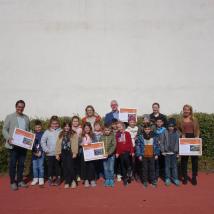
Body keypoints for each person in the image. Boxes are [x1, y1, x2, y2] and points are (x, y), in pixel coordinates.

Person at [2, 100, 30, 190]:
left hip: (23, 145)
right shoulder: (9, 117)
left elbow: (28, 131)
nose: (20, 108)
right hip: (12, 145)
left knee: (22, 164)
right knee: (13, 164)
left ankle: (20, 181)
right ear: (16, 107)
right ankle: (13, 182)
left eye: (22, 107)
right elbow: (4, 129)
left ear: (24, 108)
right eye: (19, 106)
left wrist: (30, 137)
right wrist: (8, 138)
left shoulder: (26, 118)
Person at [178, 104, 200, 185]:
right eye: (185, 109)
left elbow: (197, 129)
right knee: (184, 160)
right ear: (183, 110)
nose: (186, 111)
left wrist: (197, 136)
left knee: (194, 160)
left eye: (188, 109)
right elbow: (178, 129)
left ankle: (194, 177)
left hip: (193, 139)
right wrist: (181, 135)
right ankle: (185, 177)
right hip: (184, 139)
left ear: (190, 110)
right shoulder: (180, 120)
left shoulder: (195, 119)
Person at [135, 124, 160, 188]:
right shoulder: (140, 136)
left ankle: (152, 180)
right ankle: (145, 180)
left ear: (150, 129)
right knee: (144, 169)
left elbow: (157, 145)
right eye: (146, 129)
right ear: (144, 130)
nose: (147, 130)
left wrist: (156, 154)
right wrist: (139, 155)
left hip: (152, 155)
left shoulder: (154, 136)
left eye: (148, 129)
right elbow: (138, 146)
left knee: (152, 168)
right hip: (144, 155)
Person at [55, 122, 79, 189]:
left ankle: (73, 181)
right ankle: (67, 182)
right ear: (63, 127)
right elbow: (58, 144)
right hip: (63, 152)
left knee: (70, 167)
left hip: (70, 152)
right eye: (65, 126)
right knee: (65, 167)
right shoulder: (61, 133)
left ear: (70, 127)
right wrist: (57, 154)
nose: (67, 127)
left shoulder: (73, 133)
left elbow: (75, 143)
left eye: (68, 126)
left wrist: (74, 152)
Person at [41, 116, 62, 186]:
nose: (55, 125)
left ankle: (58, 178)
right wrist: (46, 149)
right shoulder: (47, 131)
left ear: (58, 124)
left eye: (56, 123)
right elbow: (42, 141)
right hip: (49, 153)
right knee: (50, 167)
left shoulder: (61, 131)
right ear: (50, 124)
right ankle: (50, 178)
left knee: (57, 166)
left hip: (58, 153)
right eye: (53, 123)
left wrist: (61, 151)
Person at [159, 118, 180, 186]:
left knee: (174, 166)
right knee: (167, 166)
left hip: (174, 153)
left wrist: (178, 152)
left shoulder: (177, 133)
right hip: (166, 153)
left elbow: (179, 143)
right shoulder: (164, 132)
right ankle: (167, 178)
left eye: (172, 126)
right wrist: (162, 151)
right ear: (167, 126)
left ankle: (175, 178)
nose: (171, 128)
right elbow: (161, 142)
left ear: (174, 126)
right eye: (169, 126)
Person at [115, 121, 134, 186]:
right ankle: (125, 179)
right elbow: (117, 144)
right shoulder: (117, 134)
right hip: (120, 152)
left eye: (120, 127)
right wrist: (117, 152)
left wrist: (132, 151)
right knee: (122, 165)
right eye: (118, 127)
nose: (119, 128)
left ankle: (129, 169)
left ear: (123, 126)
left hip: (127, 151)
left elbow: (130, 143)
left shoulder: (127, 133)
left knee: (127, 161)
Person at [80, 122, 97, 187]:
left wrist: (92, 143)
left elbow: (96, 143)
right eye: (85, 128)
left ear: (90, 128)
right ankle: (86, 180)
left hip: (91, 154)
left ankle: (92, 179)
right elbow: (78, 143)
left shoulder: (93, 135)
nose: (87, 129)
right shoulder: (81, 135)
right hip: (83, 153)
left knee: (91, 166)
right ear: (84, 129)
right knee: (84, 166)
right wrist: (81, 144)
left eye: (88, 128)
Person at [31, 120, 45, 186]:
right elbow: (30, 144)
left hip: (41, 153)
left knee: (40, 166)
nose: (38, 128)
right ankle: (35, 179)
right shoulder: (32, 134)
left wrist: (41, 151)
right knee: (34, 167)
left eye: (39, 127)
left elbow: (44, 143)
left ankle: (41, 179)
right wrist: (34, 152)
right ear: (34, 128)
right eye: (36, 127)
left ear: (41, 127)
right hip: (34, 153)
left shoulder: (43, 134)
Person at [154, 117, 167, 181]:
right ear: (156, 123)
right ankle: (157, 175)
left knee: (164, 162)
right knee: (157, 163)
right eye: (158, 122)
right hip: (156, 148)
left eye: (160, 122)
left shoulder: (165, 130)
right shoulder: (154, 130)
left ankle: (164, 175)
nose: (159, 123)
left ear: (162, 123)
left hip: (163, 148)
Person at [71, 115, 82, 182]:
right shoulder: (69, 128)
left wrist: (80, 137)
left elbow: (81, 139)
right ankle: (73, 175)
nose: (75, 122)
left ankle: (78, 175)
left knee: (78, 162)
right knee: (72, 162)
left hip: (79, 147)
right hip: (71, 148)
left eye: (76, 121)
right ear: (72, 122)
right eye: (74, 121)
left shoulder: (80, 129)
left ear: (78, 122)